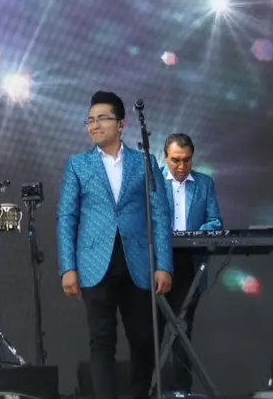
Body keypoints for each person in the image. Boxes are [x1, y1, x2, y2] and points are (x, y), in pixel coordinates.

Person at [58, 91, 173, 399]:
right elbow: (66, 217)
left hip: (136, 260)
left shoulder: (144, 162)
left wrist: (164, 264)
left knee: (145, 337)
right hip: (95, 262)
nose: (94, 126)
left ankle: (138, 395)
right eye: (90, 120)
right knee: (101, 339)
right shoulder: (78, 165)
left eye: (101, 119)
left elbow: (160, 215)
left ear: (121, 124)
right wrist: (68, 268)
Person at [160, 133, 223, 395]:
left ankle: (181, 391)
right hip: (158, 262)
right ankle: (150, 388)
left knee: (182, 331)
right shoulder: (153, 184)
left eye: (186, 161)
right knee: (149, 330)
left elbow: (216, 221)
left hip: (189, 263)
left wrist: (199, 231)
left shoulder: (204, 184)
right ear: (165, 157)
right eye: (175, 160)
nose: (181, 167)